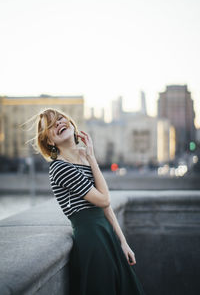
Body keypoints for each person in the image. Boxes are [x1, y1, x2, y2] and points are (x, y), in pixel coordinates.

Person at [33, 108, 146, 295]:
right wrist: (92, 157)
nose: (59, 123)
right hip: (91, 239)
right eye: (52, 125)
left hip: (106, 234)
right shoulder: (60, 167)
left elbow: (106, 206)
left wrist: (123, 242)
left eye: (61, 118)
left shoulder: (83, 160)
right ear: (50, 141)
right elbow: (104, 199)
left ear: (71, 123)